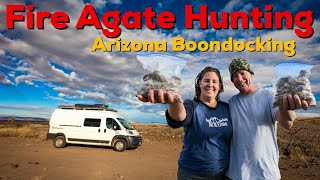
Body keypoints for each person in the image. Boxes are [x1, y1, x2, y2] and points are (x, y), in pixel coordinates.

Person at [137, 67, 233, 180]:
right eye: (206, 81)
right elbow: (180, 117)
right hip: (192, 174)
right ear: (199, 84)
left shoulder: (226, 108)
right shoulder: (192, 105)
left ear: (220, 86)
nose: (210, 84)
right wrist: (174, 100)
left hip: (221, 173)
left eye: (214, 81)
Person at [226, 58, 309, 180]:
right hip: (236, 174)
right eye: (235, 75)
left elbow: (287, 122)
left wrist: (286, 106)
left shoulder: (268, 96)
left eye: (242, 73)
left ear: (251, 74)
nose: (239, 78)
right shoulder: (232, 102)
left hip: (265, 174)